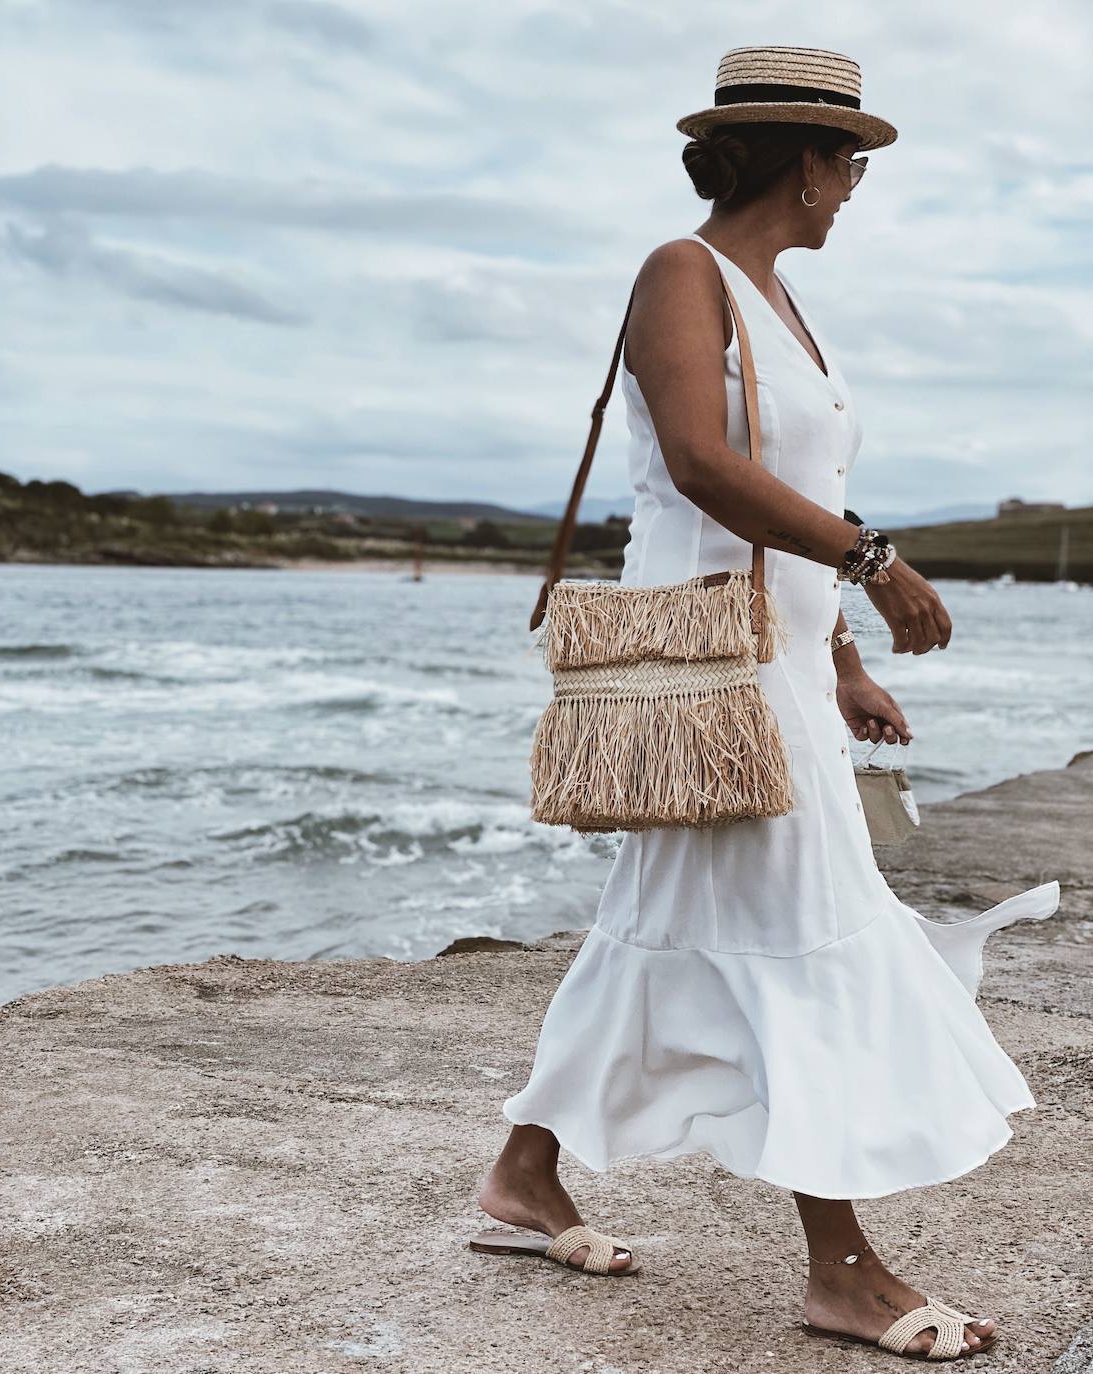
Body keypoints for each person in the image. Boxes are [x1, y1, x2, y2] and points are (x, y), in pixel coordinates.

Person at [469, 45, 1061, 1362]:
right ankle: (841, 1265)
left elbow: (779, 495)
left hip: (779, 664)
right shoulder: (681, 273)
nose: (855, 189)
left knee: (656, 926)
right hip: (710, 672)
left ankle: (522, 1171)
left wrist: (842, 655)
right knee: (813, 923)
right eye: (851, 165)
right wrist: (875, 554)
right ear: (804, 165)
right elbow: (699, 461)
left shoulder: (781, 302)